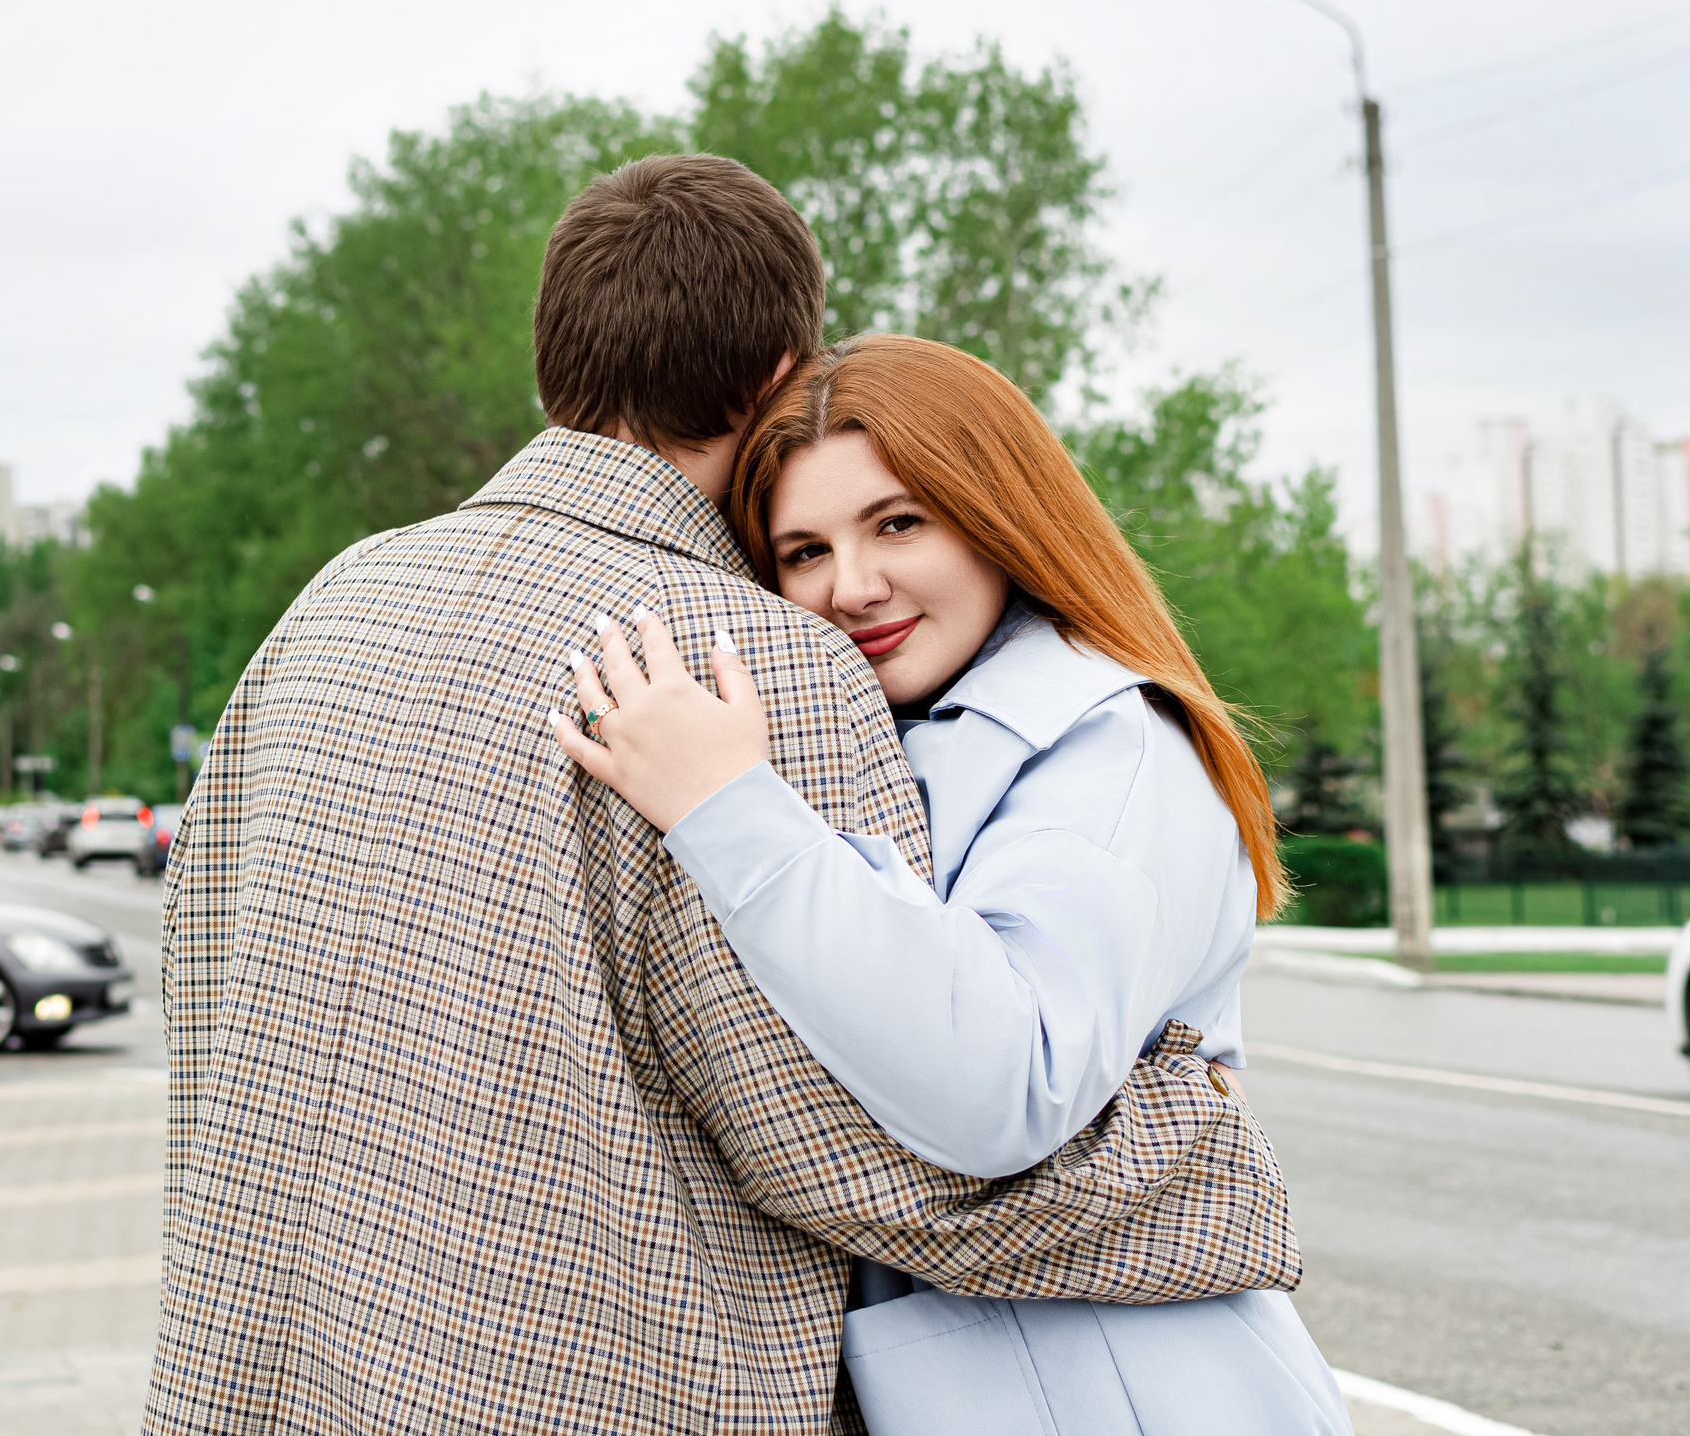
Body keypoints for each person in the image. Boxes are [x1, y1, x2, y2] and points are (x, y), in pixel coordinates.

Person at [148, 157, 1293, 1436]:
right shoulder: (736, 659)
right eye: (814, 547)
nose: (846, 581)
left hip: (262, 1366)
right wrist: (1195, 1161)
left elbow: (197, 979)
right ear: (778, 380)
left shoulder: (331, 608)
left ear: (553, 375)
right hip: (586, 1381)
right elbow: (862, 1150)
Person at [548, 333, 1353, 1435]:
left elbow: (998, 1084)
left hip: (1124, 1390)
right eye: (802, 551)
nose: (852, 586)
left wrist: (724, 805)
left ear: (997, 514)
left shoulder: (1110, 746)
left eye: (897, 524)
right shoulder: (861, 736)